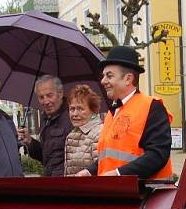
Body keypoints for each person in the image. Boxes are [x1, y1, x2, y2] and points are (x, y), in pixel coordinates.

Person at [74, 46, 172, 180]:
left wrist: (119, 174)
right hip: (118, 192)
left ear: (128, 79)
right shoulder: (112, 112)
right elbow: (109, 157)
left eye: (109, 76)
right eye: (103, 76)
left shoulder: (152, 107)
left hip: (146, 195)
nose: (103, 81)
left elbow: (158, 155)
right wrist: (90, 171)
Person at [17, 75, 73, 176]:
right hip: (50, 181)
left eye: (49, 95)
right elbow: (45, 156)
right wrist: (30, 141)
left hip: (67, 182)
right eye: (41, 97)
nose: (45, 101)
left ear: (60, 94)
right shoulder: (45, 118)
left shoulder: (72, 117)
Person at [64, 84, 102, 176]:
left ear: (93, 110)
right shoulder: (71, 136)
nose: (75, 114)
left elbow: (100, 169)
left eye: (80, 109)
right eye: (72, 109)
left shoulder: (100, 133)